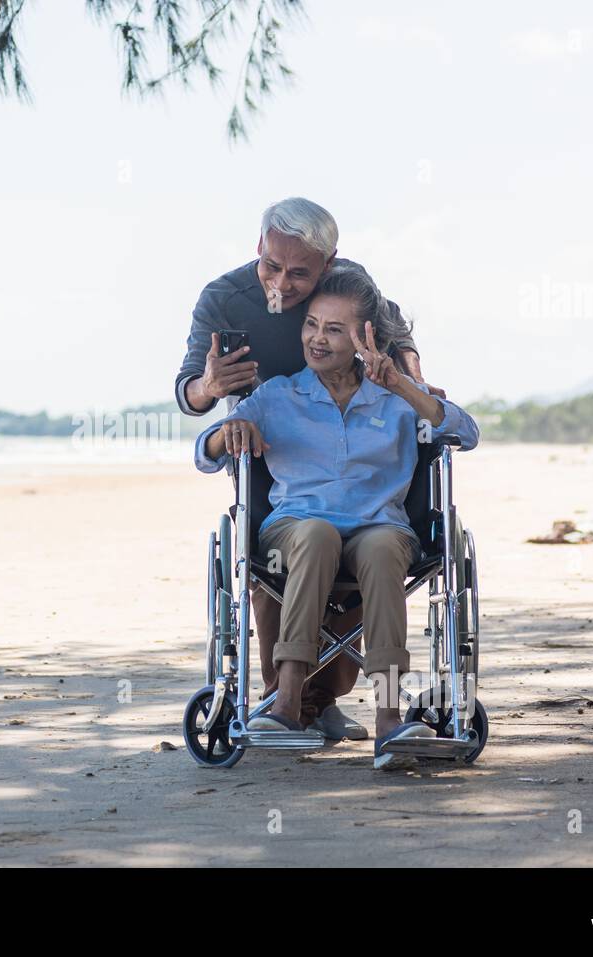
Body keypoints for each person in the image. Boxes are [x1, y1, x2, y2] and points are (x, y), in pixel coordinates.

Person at [193, 265, 480, 769]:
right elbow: (205, 452)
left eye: (333, 329)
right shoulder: (279, 394)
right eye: (311, 325)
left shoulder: (395, 398)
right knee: (318, 534)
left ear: (366, 337)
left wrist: (404, 385)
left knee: (385, 544)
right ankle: (286, 704)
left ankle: (390, 718)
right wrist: (229, 428)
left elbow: (466, 431)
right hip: (294, 531)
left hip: (378, 528)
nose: (316, 339)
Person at [176, 197, 440, 739]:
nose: (281, 283)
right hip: (275, 449)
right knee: (297, 554)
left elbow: (398, 336)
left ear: (329, 264)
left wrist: (410, 384)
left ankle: (334, 702)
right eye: (272, 266)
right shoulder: (226, 301)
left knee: (367, 559)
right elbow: (192, 400)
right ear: (258, 247)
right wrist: (213, 391)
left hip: (363, 454)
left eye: (299, 273)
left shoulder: (349, 287)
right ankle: (285, 699)